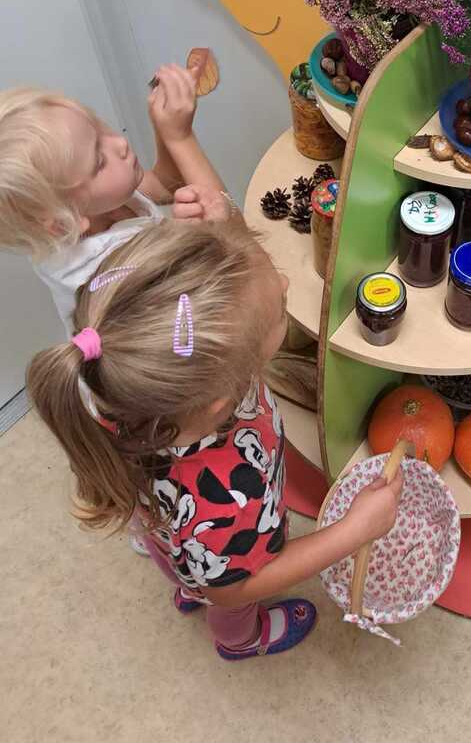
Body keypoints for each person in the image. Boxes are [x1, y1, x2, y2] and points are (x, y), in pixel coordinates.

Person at [26, 221, 403, 660]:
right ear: (221, 399)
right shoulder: (226, 501)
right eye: (280, 311)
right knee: (227, 601)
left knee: (193, 570)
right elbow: (236, 588)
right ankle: (239, 640)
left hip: (175, 534)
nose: (285, 284)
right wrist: (353, 531)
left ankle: (190, 580)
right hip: (223, 559)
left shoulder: (124, 385)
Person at [0, 66, 232, 336]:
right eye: (99, 161)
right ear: (65, 220)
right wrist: (180, 138)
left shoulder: (99, 204)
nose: (120, 143)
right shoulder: (116, 275)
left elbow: (163, 185)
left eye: (99, 127)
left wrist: (163, 127)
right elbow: (236, 257)